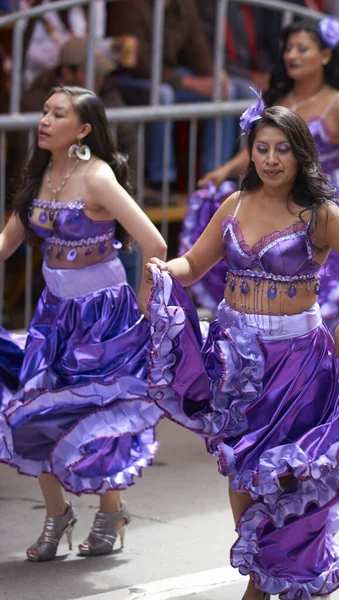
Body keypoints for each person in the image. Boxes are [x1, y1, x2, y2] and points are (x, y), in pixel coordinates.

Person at [145, 105, 339, 599]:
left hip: (297, 365)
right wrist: (165, 269)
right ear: (250, 152)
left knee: (283, 477)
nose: (272, 159)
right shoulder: (235, 203)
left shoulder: (320, 213)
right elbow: (194, 265)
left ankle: (266, 582)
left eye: (283, 149)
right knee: (241, 466)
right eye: (262, 148)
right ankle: (265, 571)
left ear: (302, 155)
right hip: (236, 362)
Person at [0, 86, 167, 561]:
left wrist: (143, 307)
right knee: (31, 410)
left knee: (96, 416)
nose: (45, 120)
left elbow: (154, 243)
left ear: (84, 129)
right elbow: (7, 242)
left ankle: (110, 511)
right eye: (45, 112)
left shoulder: (97, 178)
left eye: (59, 114)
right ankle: (58, 513)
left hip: (101, 317)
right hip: (53, 315)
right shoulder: (39, 176)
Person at [188, 17, 339, 330]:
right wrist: (224, 171)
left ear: (325, 55)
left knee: (323, 310)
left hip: (321, 209)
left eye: (302, 48)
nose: (292, 55)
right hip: (276, 209)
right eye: (288, 48)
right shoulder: (278, 102)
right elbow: (258, 148)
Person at [106, 0, 237, 190]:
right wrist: (186, 82)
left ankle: (214, 175)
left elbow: (196, 47)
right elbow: (137, 63)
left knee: (225, 91)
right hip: (129, 79)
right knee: (163, 95)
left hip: (169, 76)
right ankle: (162, 179)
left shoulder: (184, 5)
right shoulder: (129, 5)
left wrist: (212, 79)